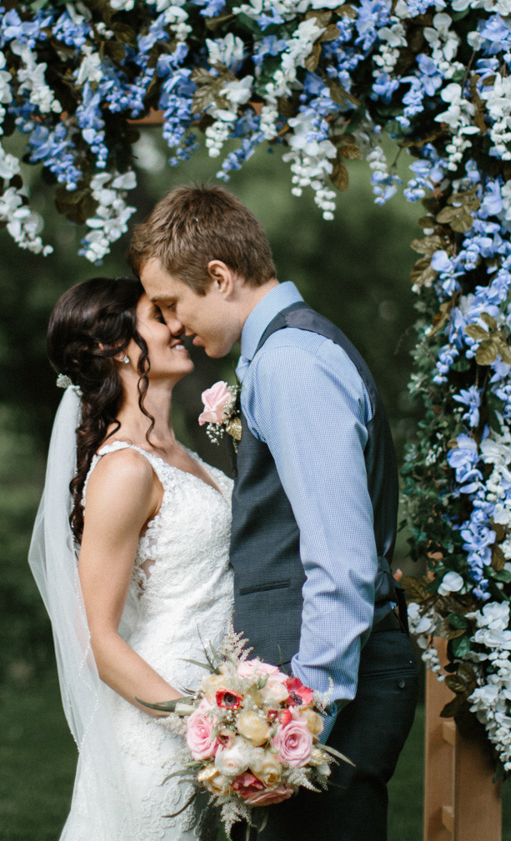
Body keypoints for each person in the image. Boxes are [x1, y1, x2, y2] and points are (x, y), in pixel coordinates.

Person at [129, 184, 420, 841]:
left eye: (173, 304)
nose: (171, 325)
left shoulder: (292, 364)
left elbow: (339, 561)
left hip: (317, 709)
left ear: (220, 276)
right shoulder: (279, 356)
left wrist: (300, 725)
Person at [31, 276, 232, 841]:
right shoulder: (124, 470)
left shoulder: (183, 456)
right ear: (113, 347)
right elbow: (97, 637)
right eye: (158, 315)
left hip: (222, 707)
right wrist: (201, 721)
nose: (177, 325)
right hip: (162, 726)